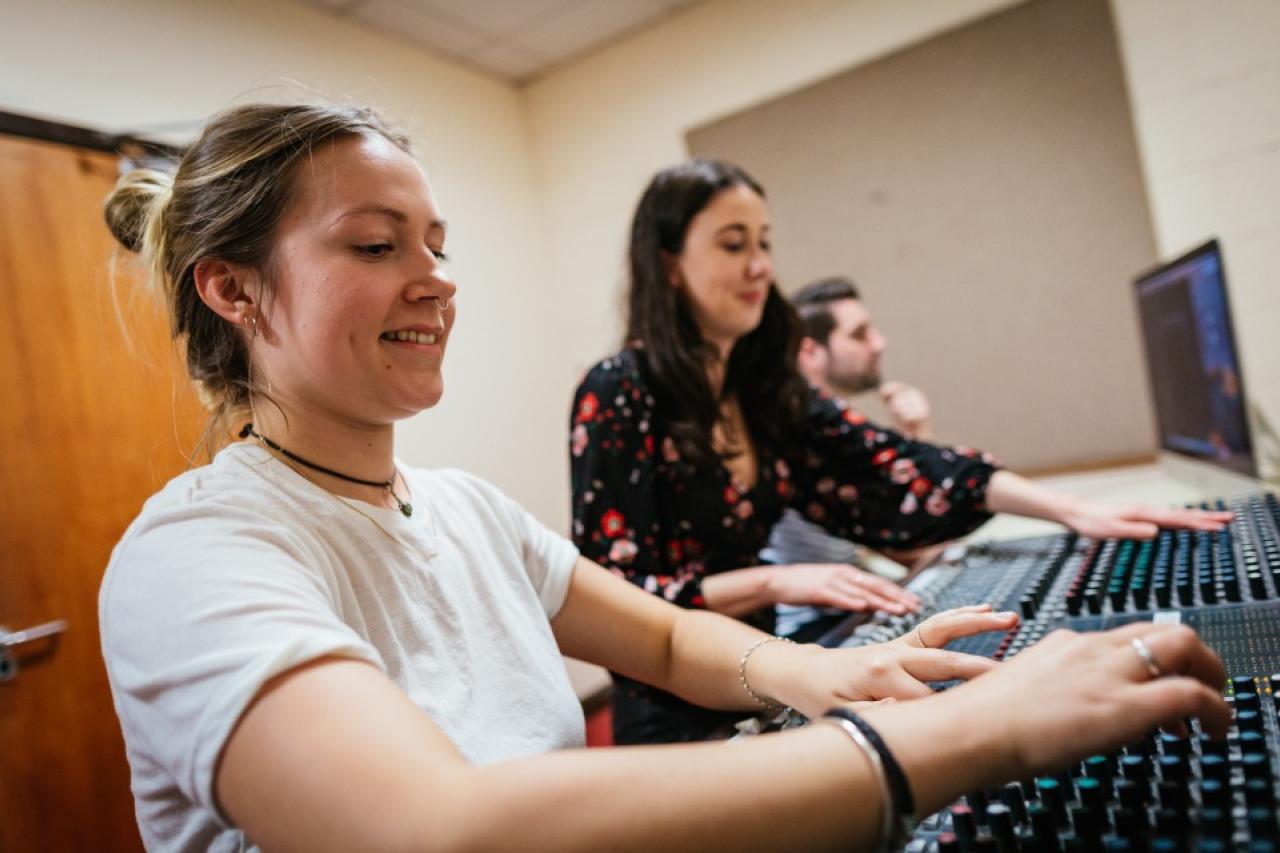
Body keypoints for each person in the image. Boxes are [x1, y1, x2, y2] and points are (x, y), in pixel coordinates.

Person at [99, 104, 1230, 853]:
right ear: (233, 292)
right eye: (376, 244)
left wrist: (828, 675)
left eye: (436, 243)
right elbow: (429, 832)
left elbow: (672, 640)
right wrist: (968, 736)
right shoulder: (194, 556)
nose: (435, 280)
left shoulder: (462, 511)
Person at [569, 158, 1232, 746]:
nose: (760, 265)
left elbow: (895, 462)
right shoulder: (618, 392)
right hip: (676, 716)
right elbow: (621, 600)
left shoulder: (761, 386)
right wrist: (773, 580)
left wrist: (1073, 511)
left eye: (765, 242)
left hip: (760, 670)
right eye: (733, 243)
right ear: (668, 263)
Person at [766, 276, 940, 638]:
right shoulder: (794, 440)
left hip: (845, 619)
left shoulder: (836, 437)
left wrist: (916, 439)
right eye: (859, 334)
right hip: (810, 633)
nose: (879, 343)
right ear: (809, 352)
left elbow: (910, 544)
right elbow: (911, 543)